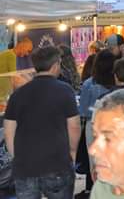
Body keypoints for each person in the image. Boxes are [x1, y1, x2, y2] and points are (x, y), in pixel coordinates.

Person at [4, 46, 81, 199]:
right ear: (55, 65)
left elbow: (8, 131)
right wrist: (72, 152)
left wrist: (17, 156)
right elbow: (74, 126)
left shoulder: (17, 94)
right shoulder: (65, 91)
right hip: (57, 164)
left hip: (25, 167)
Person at [79, 49, 116, 195]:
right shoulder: (116, 82)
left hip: (93, 126)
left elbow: (83, 110)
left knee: (95, 163)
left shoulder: (89, 84)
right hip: (114, 127)